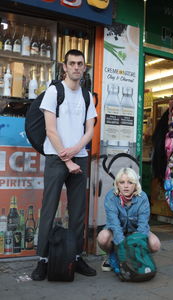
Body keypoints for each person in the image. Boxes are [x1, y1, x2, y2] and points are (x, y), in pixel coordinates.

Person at [31, 49, 97, 280]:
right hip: (56, 158)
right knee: (49, 208)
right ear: (65, 67)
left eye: (80, 63)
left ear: (84, 67)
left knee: (78, 211)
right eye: (72, 63)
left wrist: (76, 150)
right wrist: (67, 159)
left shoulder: (88, 96)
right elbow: (51, 130)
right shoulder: (54, 91)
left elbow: (89, 130)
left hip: (78, 157)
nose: (76, 67)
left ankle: (77, 257)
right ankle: (43, 260)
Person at [97, 167, 161, 272]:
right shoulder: (111, 197)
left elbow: (143, 224)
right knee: (103, 238)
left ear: (135, 184)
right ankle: (111, 255)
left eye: (130, 182)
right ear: (117, 184)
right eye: (122, 182)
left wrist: (137, 245)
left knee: (155, 244)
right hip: (116, 231)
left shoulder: (142, 197)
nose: (126, 186)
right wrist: (122, 247)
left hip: (135, 232)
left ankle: (140, 256)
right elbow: (115, 225)